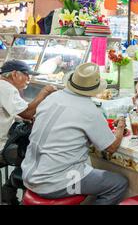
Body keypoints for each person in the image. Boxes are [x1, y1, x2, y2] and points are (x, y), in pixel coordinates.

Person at [21, 63, 128, 205]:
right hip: (55, 183)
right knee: (118, 183)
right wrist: (121, 126)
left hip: (28, 175)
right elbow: (111, 147)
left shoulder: (52, 98)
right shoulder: (89, 110)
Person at [0, 60, 57, 205]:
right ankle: (14, 186)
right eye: (26, 75)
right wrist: (43, 93)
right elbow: (28, 112)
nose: (29, 79)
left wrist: (21, 117)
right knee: (33, 149)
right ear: (14, 74)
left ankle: (10, 187)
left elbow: (15, 112)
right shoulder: (5, 87)